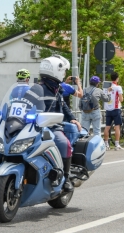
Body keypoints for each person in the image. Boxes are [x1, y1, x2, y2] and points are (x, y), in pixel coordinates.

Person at [38, 55, 82, 193]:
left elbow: (63, 106)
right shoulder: (37, 88)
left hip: (52, 126)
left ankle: (66, 178)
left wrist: (72, 118)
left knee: (65, 144)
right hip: (35, 126)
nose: (64, 74)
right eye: (63, 71)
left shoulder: (58, 89)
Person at [103, 72, 124, 151]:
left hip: (108, 109)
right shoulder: (118, 87)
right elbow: (121, 99)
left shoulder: (106, 87)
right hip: (116, 109)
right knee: (117, 126)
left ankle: (106, 145)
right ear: (117, 78)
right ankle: (117, 144)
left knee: (107, 127)